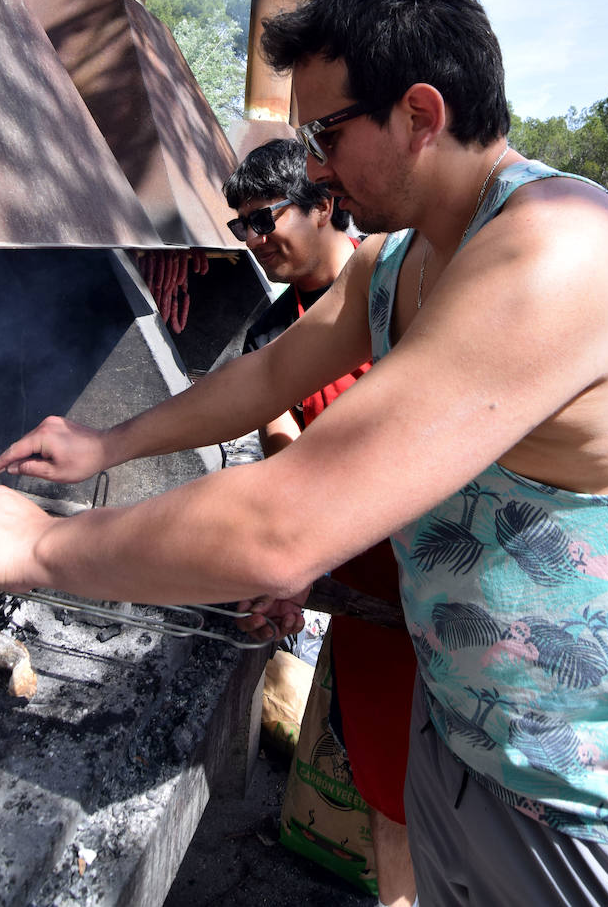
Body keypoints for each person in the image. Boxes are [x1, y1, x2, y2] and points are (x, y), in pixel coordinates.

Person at [0, 0, 608, 906]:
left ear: (419, 113)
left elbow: (280, 527)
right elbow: (267, 375)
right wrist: (103, 444)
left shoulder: (559, 251)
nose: (317, 167)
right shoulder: (402, 259)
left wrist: (39, 544)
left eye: (328, 131)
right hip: (468, 736)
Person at [224, 139, 417, 907]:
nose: (254, 240)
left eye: (264, 219)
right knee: (387, 777)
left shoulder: (407, 281)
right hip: (366, 586)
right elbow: (280, 442)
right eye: (240, 228)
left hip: (459, 572)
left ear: (324, 203)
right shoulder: (272, 335)